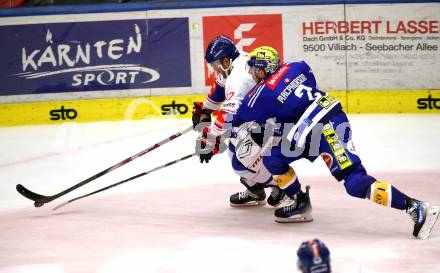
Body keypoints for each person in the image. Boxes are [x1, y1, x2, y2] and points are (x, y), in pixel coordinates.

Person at [231, 45, 439, 239]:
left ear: (261, 70)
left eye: (252, 70)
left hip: (329, 127)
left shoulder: (260, 94)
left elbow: (235, 118)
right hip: (308, 130)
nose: (250, 74)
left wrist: (214, 137)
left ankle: (415, 206)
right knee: (272, 157)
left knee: (355, 182)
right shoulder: (298, 66)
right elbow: (298, 97)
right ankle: (299, 202)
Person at [192, 35, 287, 208]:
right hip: (258, 117)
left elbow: (228, 116)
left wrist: (210, 138)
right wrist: (205, 109)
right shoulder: (237, 58)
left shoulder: (238, 78)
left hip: (272, 122)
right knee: (233, 151)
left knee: (240, 164)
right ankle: (255, 190)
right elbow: (220, 88)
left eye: (215, 66)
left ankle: (281, 186)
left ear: (226, 61)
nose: (214, 70)